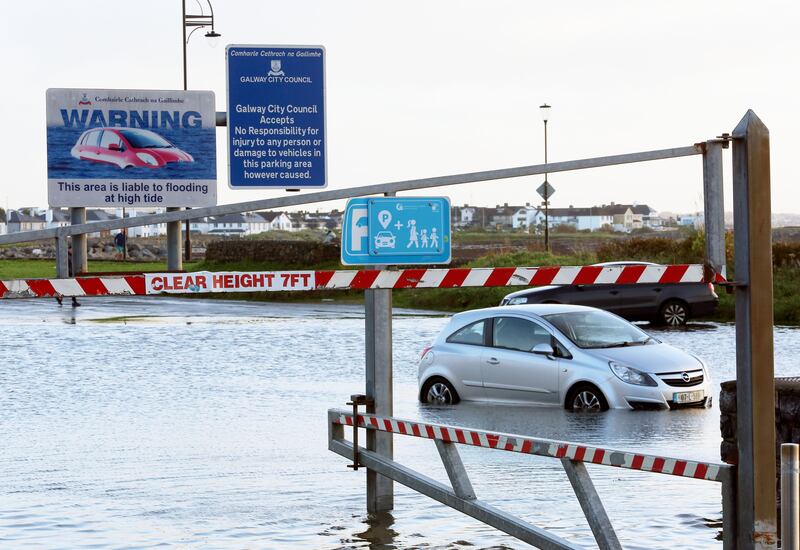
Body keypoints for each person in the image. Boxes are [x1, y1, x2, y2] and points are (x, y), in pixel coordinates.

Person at [56, 242, 80, 307]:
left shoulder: (69, 256)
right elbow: (68, 267)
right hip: (68, 275)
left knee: (69, 288)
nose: (73, 251)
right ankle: (73, 302)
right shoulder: (68, 257)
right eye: (72, 249)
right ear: (69, 249)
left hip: (69, 274)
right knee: (71, 288)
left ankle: (61, 298)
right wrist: (71, 273)